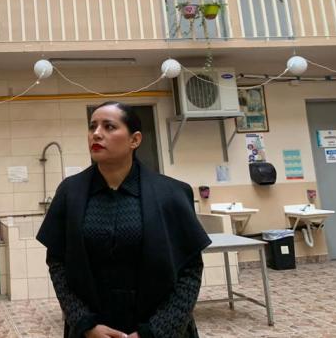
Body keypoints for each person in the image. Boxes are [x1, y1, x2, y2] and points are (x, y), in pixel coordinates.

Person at [37, 102, 210, 338]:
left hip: (159, 329)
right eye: (92, 127)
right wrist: (84, 323)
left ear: (134, 140)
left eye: (109, 126)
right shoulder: (70, 192)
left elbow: (190, 270)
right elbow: (58, 263)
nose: (96, 134)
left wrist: (156, 332)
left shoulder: (171, 193)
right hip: (93, 330)